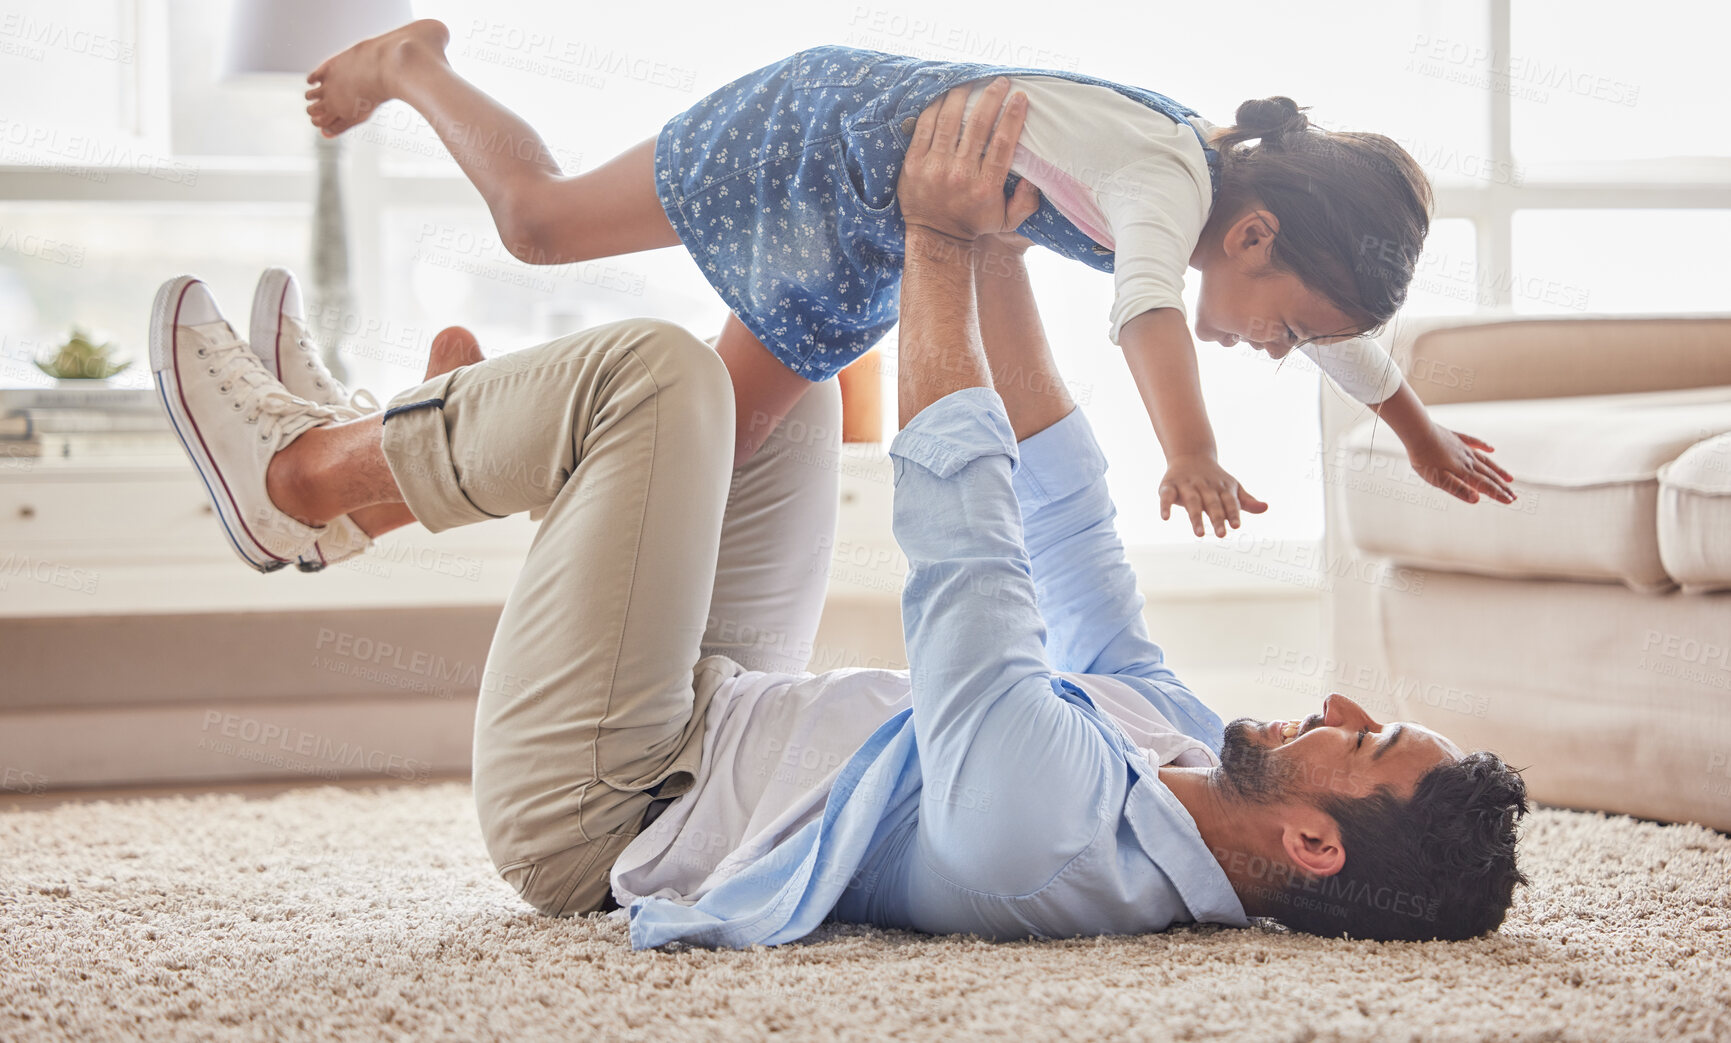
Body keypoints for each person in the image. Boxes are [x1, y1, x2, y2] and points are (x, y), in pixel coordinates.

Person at [149, 83, 1527, 948]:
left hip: (606, 800)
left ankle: (308, 482)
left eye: (1369, 737)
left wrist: (930, 242)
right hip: (726, 699)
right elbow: (1063, 519)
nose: (1341, 698)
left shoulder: (1050, 837)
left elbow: (965, 550)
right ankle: (421, 453)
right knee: (789, 366)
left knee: (653, 376)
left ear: (1310, 844)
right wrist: (995, 243)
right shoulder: (1178, 745)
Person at [302, 22, 1515, 538]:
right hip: (817, 132)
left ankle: (460, 420)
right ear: (1256, 239)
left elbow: (1346, 337)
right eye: (1285, 328)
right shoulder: (1172, 189)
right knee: (541, 227)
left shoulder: (1219, 204)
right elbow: (1145, 314)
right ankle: (414, 64)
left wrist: (1413, 431)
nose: (1274, 347)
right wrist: (1187, 451)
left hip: (877, 229)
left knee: (702, 456)